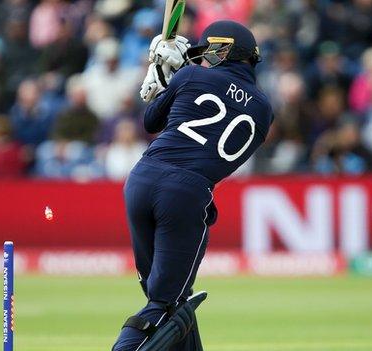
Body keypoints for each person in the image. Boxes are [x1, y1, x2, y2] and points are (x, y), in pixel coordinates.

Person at [112, 20, 273, 351]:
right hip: (186, 192)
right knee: (166, 301)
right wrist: (178, 75)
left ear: (219, 52)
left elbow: (151, 120)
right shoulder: (263, 109)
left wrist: (160, 75)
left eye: (205, 53)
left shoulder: (189, 76)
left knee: (170, 298)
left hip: (141, 179)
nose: (201, 59)